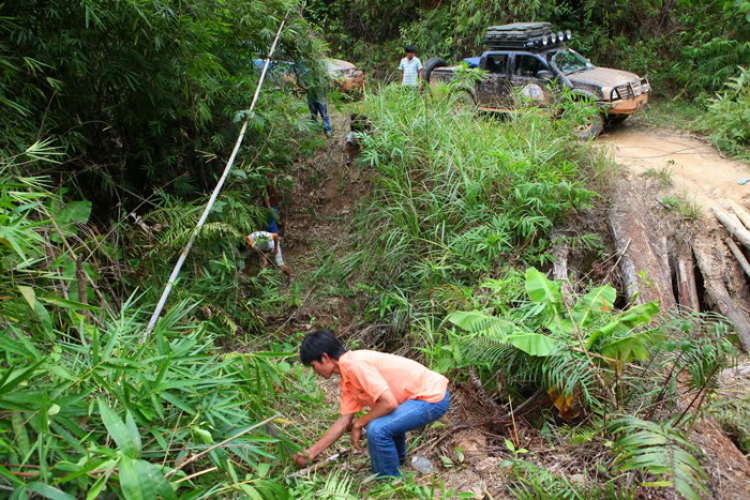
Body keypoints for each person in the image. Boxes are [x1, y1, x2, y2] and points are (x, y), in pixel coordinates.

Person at [293, 330, 450, 479]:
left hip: (431, 398)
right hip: (418, 399)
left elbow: (389, 404)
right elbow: (343, 421)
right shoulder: (347, 377)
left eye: (314, 366)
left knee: (377, 428)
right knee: (381, 420)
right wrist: (311, 453)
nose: (315, 372)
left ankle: (389, 482)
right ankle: (397, 461)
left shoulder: (355, 364)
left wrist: (359, 424)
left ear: (325, 358)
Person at [299, 62, 332, 136]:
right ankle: (315, 131)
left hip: (321, 99)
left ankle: (328, 130)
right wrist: (305, 88)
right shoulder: (307, 74)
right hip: (311, 99)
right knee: (313, 116)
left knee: (324, 116)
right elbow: (299, 80)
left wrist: (326, 92)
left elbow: (328, 83)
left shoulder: (322, 74)